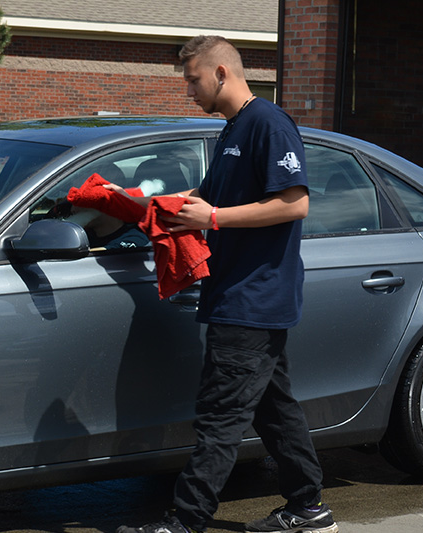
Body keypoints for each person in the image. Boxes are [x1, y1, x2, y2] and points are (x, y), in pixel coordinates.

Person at [114, 36, 338, 533]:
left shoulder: (268, 123)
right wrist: (139, 203)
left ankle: (186, 522)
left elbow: (294, 203)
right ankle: (309, 509)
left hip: (253, 298)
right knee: (273, 411)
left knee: (220, 416)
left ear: (220, 72)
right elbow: (208, 196)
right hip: (239, 294)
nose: (188, 90)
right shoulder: (234, 128)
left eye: (193, 79)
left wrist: (213, 217)